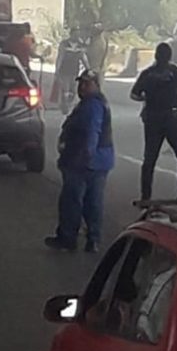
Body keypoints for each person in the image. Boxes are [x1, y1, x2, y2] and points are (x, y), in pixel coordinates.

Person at [45, 70, 114, 253]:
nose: (82, 87)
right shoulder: (96, 103)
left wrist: (86, 155)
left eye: (87, 83)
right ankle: (93, 239)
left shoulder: (92, 105)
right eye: (81, 83)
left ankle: (68, 238)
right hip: (99, 161)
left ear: (96, 85)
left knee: (72, 200)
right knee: (93, 201)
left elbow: (93, 130)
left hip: (83, 161)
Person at [130, 42, 177, 202]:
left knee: (149, 159)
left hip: (152, 119)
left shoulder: (147, 73)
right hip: (172, 118)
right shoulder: (175, 71)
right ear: (170, 56)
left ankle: (146, 196)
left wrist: (147, 98)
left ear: (155, 56)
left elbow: (134, 94)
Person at [54, 27, 89, 114]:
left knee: (73, 89)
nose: (77, 35)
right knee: (66, 87)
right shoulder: (64, 44)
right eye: (75, 34)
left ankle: (68, 103)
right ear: (71, 34)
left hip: (75, 70)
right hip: (64, 69)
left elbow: (83, 57)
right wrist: (57, 69)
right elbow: (60, 57)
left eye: (78, 34)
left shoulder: (80, 45)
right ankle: (65, 105)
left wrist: (88, 68)